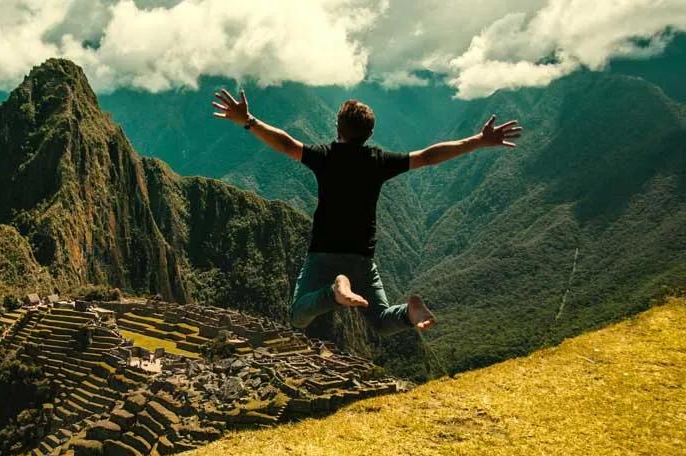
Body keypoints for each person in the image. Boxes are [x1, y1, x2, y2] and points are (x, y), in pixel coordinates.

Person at [212, 89, 521, 334]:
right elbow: (428, 157)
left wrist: (248, 121)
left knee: (297, 316)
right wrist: (478, 141)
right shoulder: (378, 161)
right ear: (370, 134)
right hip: (361, 257)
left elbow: (286, 144)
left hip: (324, 253)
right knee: (383, 322)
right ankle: (409, 310)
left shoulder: (326, 156)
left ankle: (334, 292)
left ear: (338, 128)